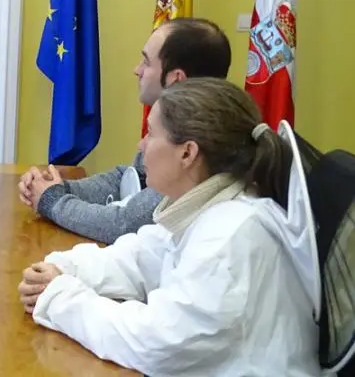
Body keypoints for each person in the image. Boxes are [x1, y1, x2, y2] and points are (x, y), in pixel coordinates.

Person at [17, 78, 320, 375]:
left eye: (150, 133)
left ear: (187, 153)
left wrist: (59, 297)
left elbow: (152, 343)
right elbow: (141, 255)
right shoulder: (214, 204)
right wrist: (62, 268)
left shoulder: (230, 236)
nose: (141, 144)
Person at [18, 18, 231, 244]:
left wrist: (52, 199)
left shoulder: (197, 139)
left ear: (175, 79)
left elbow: (127, 224)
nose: (137, 70)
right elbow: (129, 177)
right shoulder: (180, 121)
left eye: (146, 62)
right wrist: (60, 187)